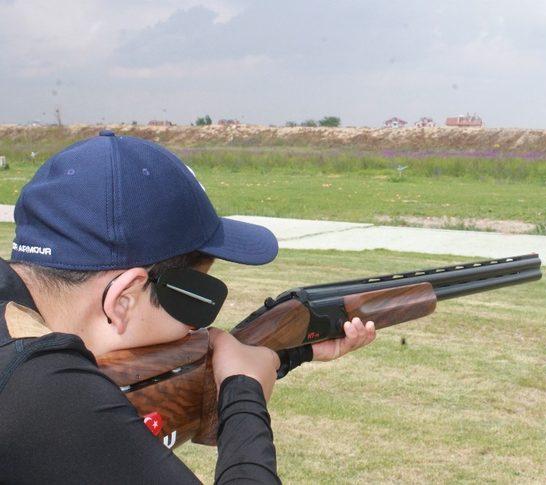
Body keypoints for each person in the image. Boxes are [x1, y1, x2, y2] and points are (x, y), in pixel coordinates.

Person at [0, 130, 376, 484]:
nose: (194, 331)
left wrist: (290, 351)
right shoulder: (50, 397)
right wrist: (243, 392)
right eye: (194, 302)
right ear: (123, 300)